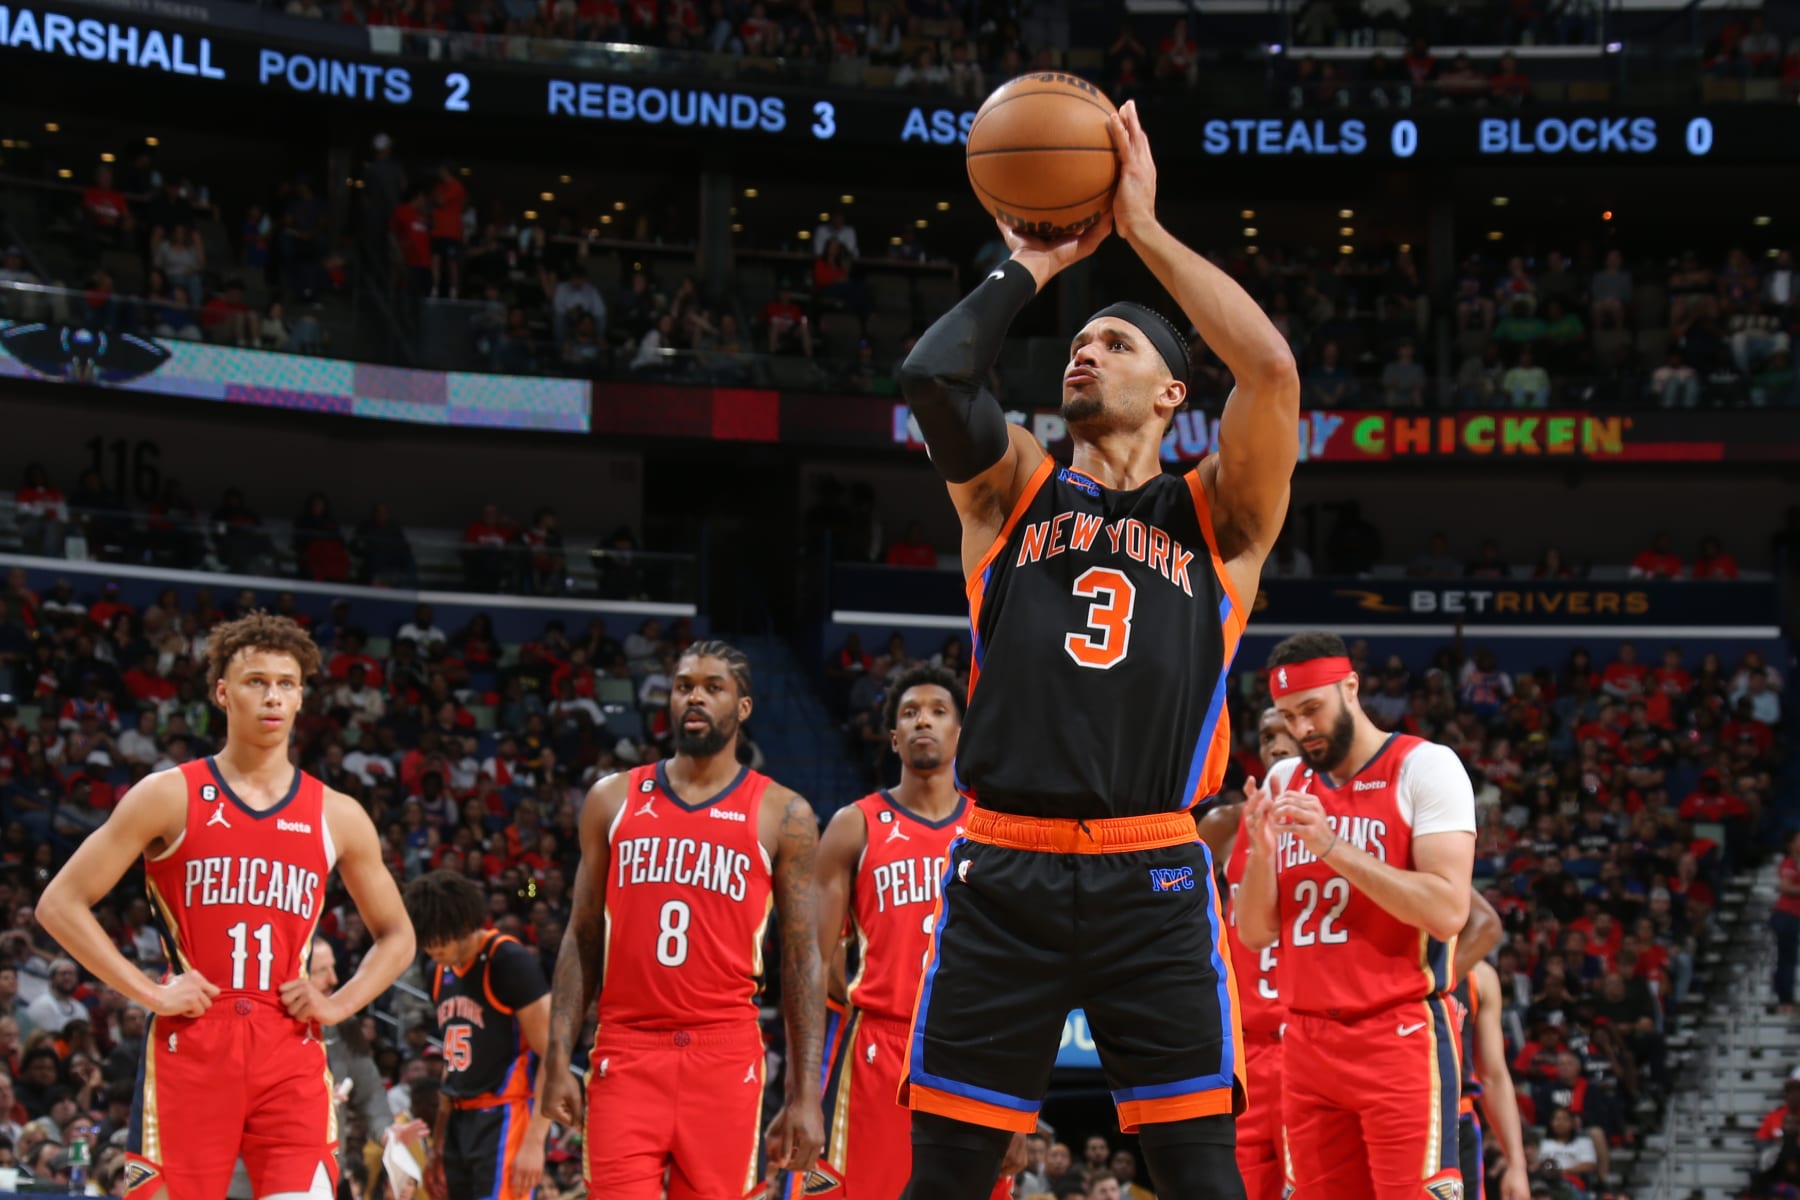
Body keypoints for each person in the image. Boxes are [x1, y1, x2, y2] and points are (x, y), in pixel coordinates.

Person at [894, 98, 1298, 1199]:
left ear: (1172, 392)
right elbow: (935, 380)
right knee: (945, 1181)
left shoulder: (1219, 514)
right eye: (1076, 342)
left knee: (1201, 1179)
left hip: (1154, 874)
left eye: (1113, 343)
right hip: (1003, 867)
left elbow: (1268, 374)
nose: (1084, 352)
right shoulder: (1014, 488)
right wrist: (1031, 264)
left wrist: (1143, 229)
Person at [34, 612, 415, 1200]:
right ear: (221, 692)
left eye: (287, 683)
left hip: (290, 1045)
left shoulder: (336, 812)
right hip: (193, 1039)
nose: (272, 696)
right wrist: (150, 992)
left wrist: (338, 1004)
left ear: (301, 697)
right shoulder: (168, 793)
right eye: (255, 681)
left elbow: (397, 936)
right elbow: (59, 904)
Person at [537, 641, 825, 1197]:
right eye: (684, 685)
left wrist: (804, 1092)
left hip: (725, 1053)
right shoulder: (610, 799)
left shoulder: (783, 814)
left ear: (742, 708)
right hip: (626, 1046)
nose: (695, 696)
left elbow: (801, 957)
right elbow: (581, 935)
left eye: (713, 687)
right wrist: (556, 1059)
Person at [1237, 631, 1478, 1200]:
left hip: (1398, 1034)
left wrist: (1332, 847)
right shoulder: (1283, 782)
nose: (1301, 730)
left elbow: (1448, 911)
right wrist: (1262, 854)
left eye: (1312, 709)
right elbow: (1255, 932)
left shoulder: (1426, 767)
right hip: (1305, 1040)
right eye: (1288, 716)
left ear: (1351, 687)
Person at [804, 666, 1021, 1199]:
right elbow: (813, 961)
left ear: (960, 734)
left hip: (974, 1051)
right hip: (880, 1044)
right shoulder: (855, 824)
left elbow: (1021, 975)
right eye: (909, 713)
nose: (923, 719)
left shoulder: (995, 828)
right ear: (894, 737)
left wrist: (1022, 1107)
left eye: (938, 711)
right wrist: (804, 1087)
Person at [403, 869, 550, 1200]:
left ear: (464, 924)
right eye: (427, 941)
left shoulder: (507, 961)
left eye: (440, 939)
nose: (433, 949)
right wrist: (439, 1142)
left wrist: (535, 1142)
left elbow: (553, 1053)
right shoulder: (437, 971)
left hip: (504, 1114)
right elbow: (451, 1062)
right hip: (457, 1119)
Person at [1453, 961, 1529, 1200]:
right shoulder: (1383, 959)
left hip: (1456, 1121)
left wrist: (1516, 1164)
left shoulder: (1479, 975)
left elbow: (1494, 1076)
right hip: (1387, 1117)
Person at [1774, 830, 1800, 1013]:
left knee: (1789, 958)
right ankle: (1785, 1000)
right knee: (1787, 959)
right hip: (1786, 915)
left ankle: (1786, 999)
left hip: (1794, 916)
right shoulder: (1789, 862)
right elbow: (1786, 887)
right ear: (1791, 845)